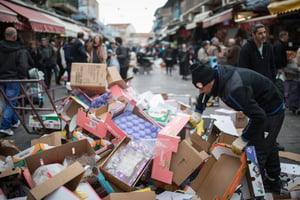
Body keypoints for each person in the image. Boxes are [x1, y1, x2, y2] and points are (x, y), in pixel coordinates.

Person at [190, 62, 286, 194]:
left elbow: (259, 117)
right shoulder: (215, 75)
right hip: (257, 106)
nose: (200, 91)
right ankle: (273, 178)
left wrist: (244, 138)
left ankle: (259, 189)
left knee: (260, 149)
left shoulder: (234, 90)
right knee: (266, 143)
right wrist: (198, 111)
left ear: (211, 82)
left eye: (201, 87)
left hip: (272, 108)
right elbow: (205, 92)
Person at [0, 27, 27, 136]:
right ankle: (4, 126)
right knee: (11, 103)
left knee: (8, 102)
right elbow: (23, 65)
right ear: (15, 36)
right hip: (13, 79)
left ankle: (14, 121)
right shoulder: (19, 49)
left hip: (1, 79)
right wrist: (21, 77)